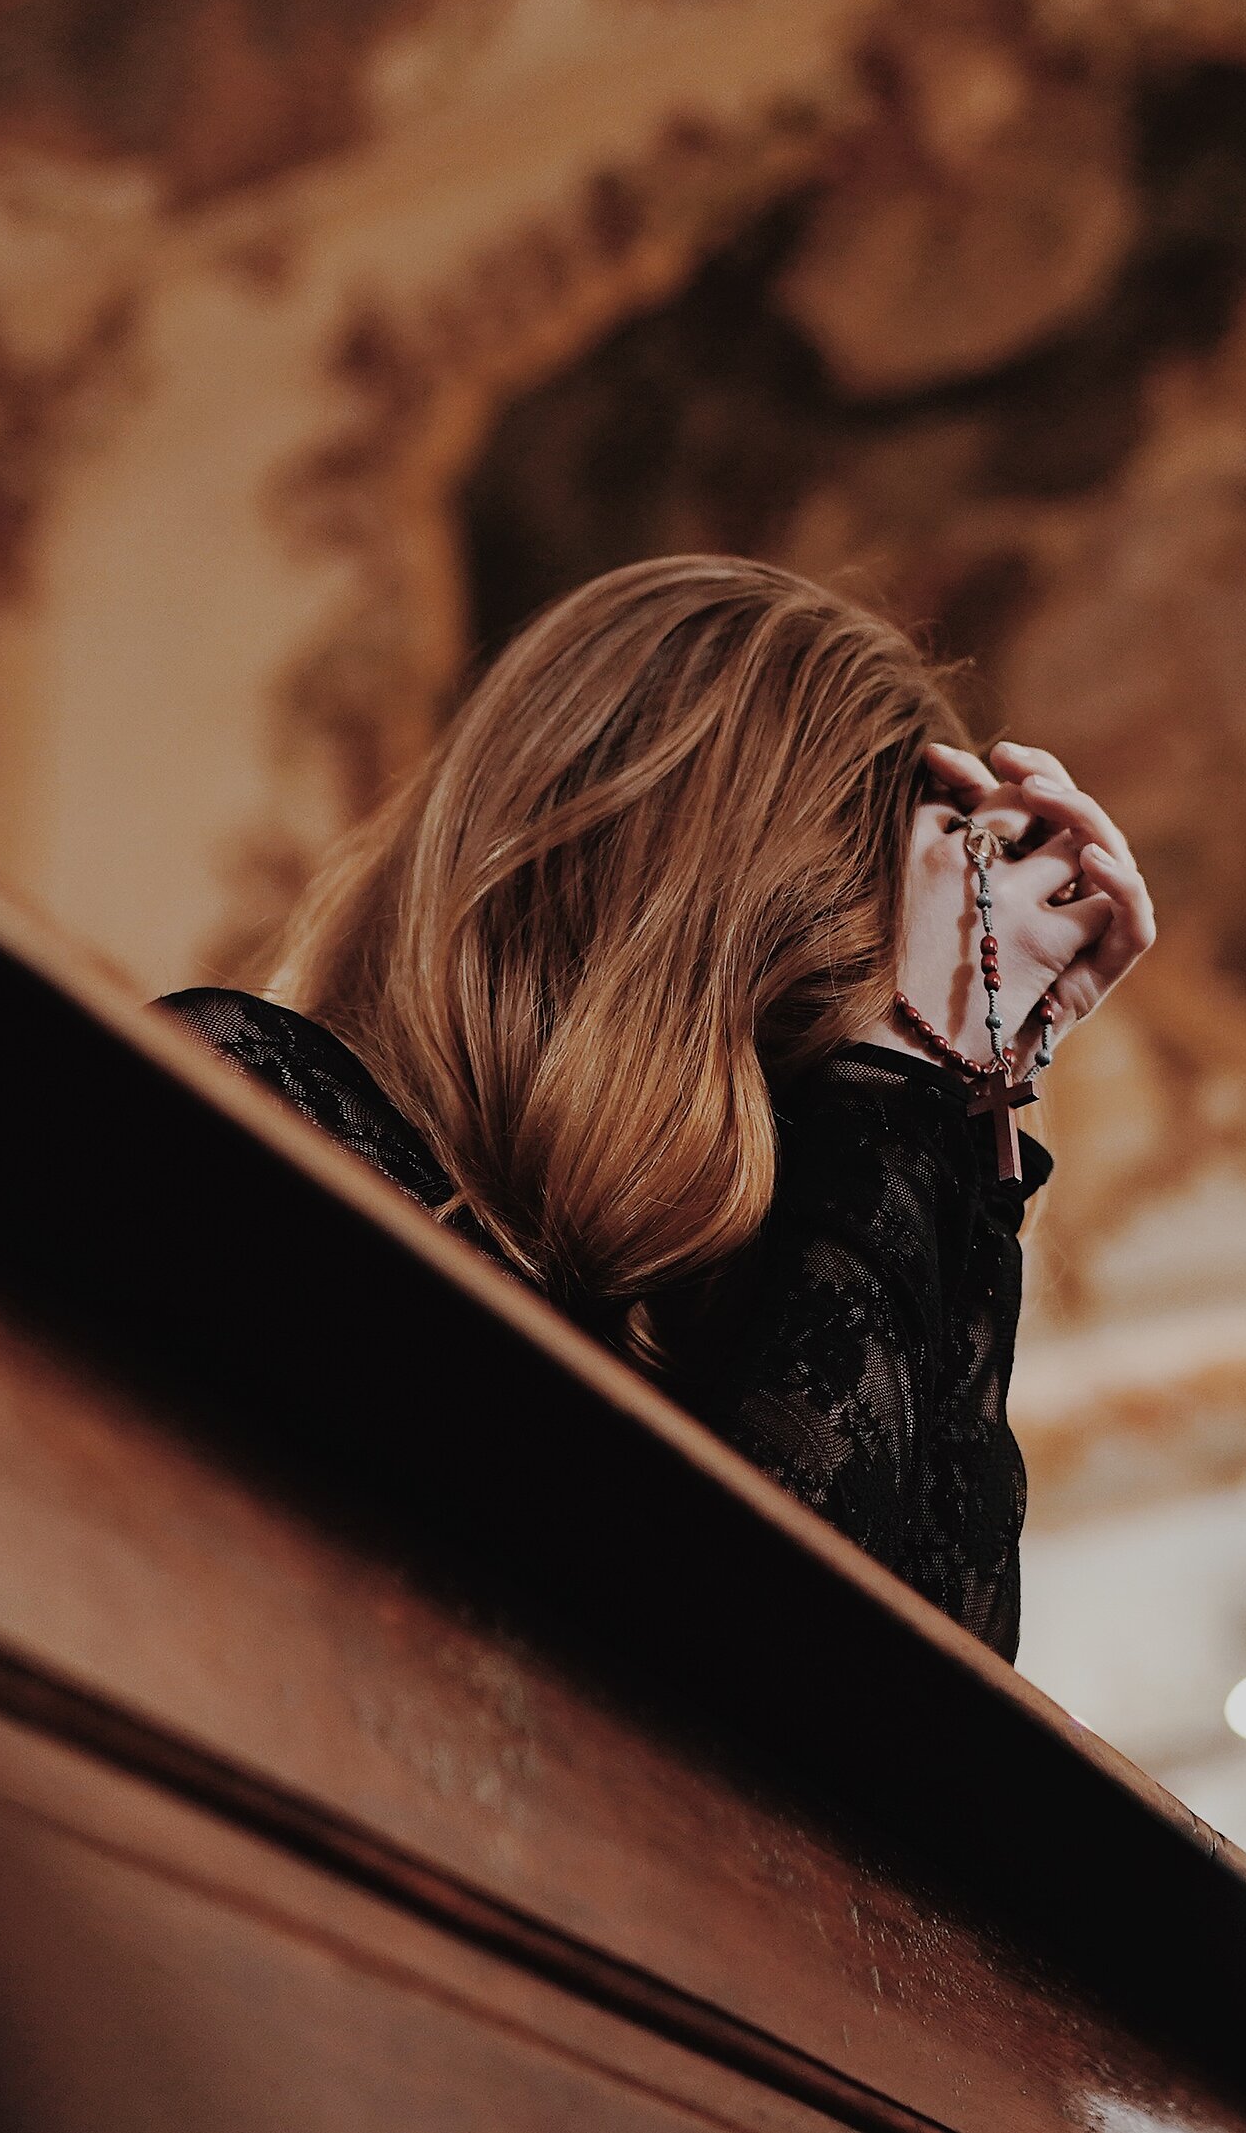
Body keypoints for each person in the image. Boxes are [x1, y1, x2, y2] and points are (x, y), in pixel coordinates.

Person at [163, 556, 1150, 1658]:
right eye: (832, 1038)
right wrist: (898, 1080)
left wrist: (973, 1090)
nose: (837, 1147)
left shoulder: (727, 1344)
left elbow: (923, 1735)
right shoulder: (246, 1098)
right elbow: (747, 1669)